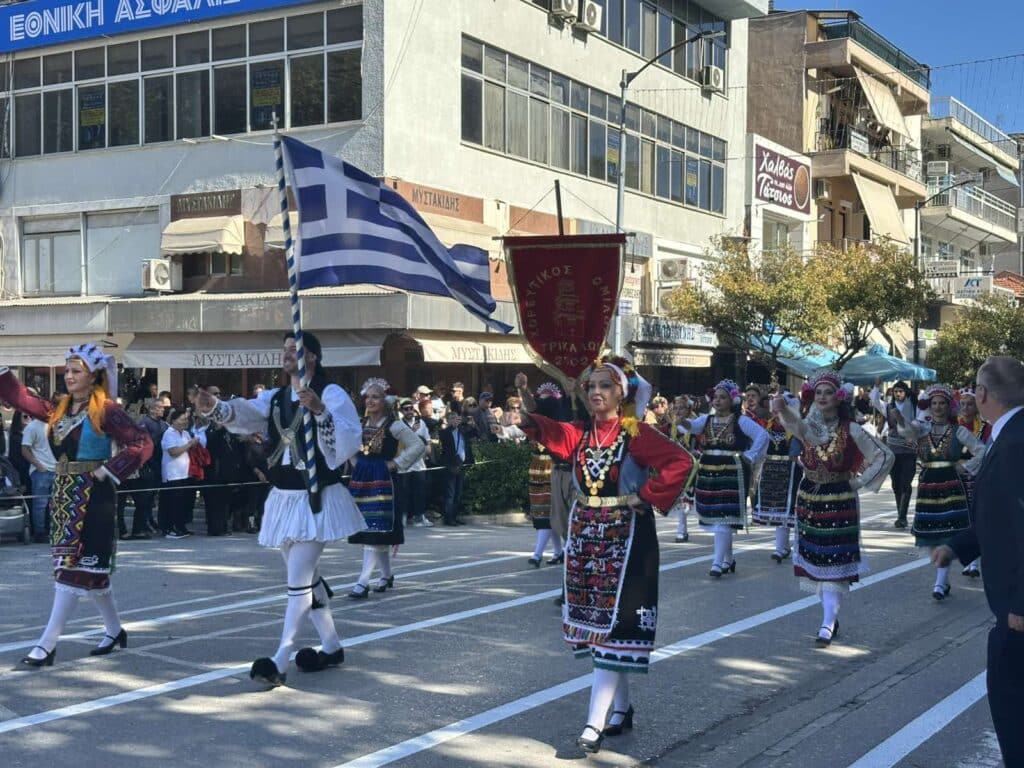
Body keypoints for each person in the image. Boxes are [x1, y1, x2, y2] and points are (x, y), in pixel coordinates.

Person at [517, 355, 694, 754]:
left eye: (605, 386)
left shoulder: (636, 433)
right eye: (591, 386)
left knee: (619, 627)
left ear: (621, 393)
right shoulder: (579, 434)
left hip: (628, 539)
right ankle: (622, 709)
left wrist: (644, 496)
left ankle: (594, 723)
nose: (596, 392)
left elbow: (681, 461)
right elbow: (544, 429)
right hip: (585, 538)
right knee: (603, 632)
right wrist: (525, 402)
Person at [196, 331, 365, 687]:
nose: (287, 354)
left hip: (317, 496)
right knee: (306, 576)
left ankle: (280, 659)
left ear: (313, 357)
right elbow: (246, 413)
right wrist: (215, 408)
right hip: (286, 497)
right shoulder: (275, 398)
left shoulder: (331, 393)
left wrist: (319, 411)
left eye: (295, 349)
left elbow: (348, 438)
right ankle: (332, 646)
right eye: (285, 349)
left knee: (298, 579)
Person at [1, 344, 152, 666]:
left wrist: (109, 469)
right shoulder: (60, 409)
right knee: (88, 573)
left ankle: (47, 643)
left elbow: (141, 442)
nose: (68, 376)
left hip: (95, 496)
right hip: (64, 492)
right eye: (67, 370)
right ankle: (114, 629)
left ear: (93, 375)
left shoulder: (107, 409)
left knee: (71, 570)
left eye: (76, 371)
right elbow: (23, 400)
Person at [933, 357, 1024, 767]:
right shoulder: (1011, 436)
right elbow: (1002, 515)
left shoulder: (1016, 442)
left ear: (982, 394)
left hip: (1017, 608)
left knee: (1013, 707)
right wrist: (958, 545)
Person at [774, 370, 893, 646]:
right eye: (819, 393)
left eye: (828, 392)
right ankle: (830, 614)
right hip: (810, 498)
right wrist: (783, 409)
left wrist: (859, 481)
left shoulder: (851, 429)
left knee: (835, 562)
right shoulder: (809, 425)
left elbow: (883, 455)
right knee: (817, 561)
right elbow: (795, 426)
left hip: (839, 498)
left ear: (839, 397)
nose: (823, 397)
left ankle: (827, 621)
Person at [898, 385, 986, 600]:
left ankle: (939, 582)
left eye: (942, 403)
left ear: (949, 406)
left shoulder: (959, 431)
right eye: (934, 403)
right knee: (930, 533)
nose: (938, 407)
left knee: (949, 531)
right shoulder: (922, 428)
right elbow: (907, 432)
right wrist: (900, 420)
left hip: (950, 483)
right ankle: (943, 579)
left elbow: (982, 450)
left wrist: (964, 466)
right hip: (928, 483)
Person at [679, 379, 768, 577]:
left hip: (731, 472)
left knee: (725, 517)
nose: (717, 401)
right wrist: (680, 419)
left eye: (722, 397)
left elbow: (763, 436)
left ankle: (717, 563)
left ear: (732, 400)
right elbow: (690, 427)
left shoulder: (741, 421)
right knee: (718, 517)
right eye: (715, 397)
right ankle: (728, 558)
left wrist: (751, 455)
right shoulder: (706, 420)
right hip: (709, 471)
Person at [347, 380, 425, 597]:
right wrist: (354, 461)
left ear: (386, 401)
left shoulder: (394, 425)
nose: (370, 401)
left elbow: (418, 445)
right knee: (370, 530)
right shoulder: (361, 424)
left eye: (376, 397)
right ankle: (386, 575)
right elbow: (348, 445)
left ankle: (363, 582)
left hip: (383, 481)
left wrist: (396, 463)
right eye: (368, 397)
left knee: (377, 528)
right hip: (362, 479)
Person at [752, 391, 803, 563]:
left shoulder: (795, 427)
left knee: (790, 509)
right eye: (774, 409)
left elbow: (799, 452)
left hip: (791, 470)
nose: (774, 411)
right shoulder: (768, 425)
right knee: (778, 510)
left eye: (779, 408)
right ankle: (781, 547)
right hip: (772, 470)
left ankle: (795, 546)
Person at [870, 380, 917, 528]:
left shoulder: (915, 407)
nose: (898, 394)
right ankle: (900, 514)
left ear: (906, 392)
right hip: (893, 450)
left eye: (901, 391)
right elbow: (875, 399)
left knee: (906, 483)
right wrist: (877, 385)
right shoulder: (888, 407)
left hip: (909, 450)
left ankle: (902, 516)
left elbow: (922, 424)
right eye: (895, 391)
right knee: (896, 484)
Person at [956, 386, 990, 578]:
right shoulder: (955, 426)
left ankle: (975, 560)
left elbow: (986, 450)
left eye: (970, 404)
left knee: (975, 515)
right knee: (963, 517)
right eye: (963, 404)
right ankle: (969, 559)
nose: (966, 408)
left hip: (977, 476)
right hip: (958, 478)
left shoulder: (985, 427)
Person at [160, 408, 199, 538]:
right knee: (173, 503)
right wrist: (189, 444)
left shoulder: (186, 433)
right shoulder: (169, 433)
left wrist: (194, 444)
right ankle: (170, 528)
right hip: (173, 474)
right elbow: (173, 452)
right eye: (182, 419)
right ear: (173, 420)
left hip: (185, 473)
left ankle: (181, 527)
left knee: (183, 503)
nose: (184, 422)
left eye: (186, 419)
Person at [21, 411, 57, 543]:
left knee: (56, 504)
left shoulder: (58, 425)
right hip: (41, 470)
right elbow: (24, 449)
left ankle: (54, 531)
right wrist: (38, 465)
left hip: (57, 469)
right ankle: (40, 533)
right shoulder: (32, 426)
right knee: (40, 504)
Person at [395, 397, 432, 528]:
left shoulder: (421, 423)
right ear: (402, 411)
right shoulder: (398, 425)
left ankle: (419, 517)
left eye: (411, 408)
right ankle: (403, 517)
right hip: (404, 465)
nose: (410, 411)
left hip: (419, 464)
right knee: (403, 492)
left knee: (420, 491)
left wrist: (428, 449)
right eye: (406, 409)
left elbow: (427, 440)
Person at [439, 411, 475, 526]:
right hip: (451, 466)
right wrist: (452, 427)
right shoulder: (445, 432)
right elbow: (444, 442)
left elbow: (474, 434)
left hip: (462, 464)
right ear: (448, 420)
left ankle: (454, 516)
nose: (455, 420)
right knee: (450, 493)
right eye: (452, 418)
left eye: (457, 418)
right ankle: (448, 518)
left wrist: (472, 424)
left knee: (458, 493)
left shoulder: (462, 431)